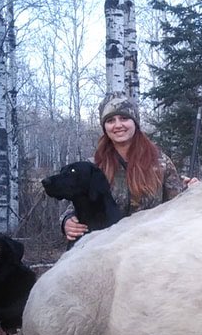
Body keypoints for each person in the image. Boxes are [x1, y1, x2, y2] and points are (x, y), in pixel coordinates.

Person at [61, 94, 188, 243]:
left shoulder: (160, 162)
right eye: (110, 120)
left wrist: (191, 191)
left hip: (150, 246)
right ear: (105, 127)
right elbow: (75, 206)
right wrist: (67, 222)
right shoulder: (93, 166)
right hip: (102, 248)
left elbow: (178, 205)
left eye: (124, 118)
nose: (118, 125)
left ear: (135, 123)